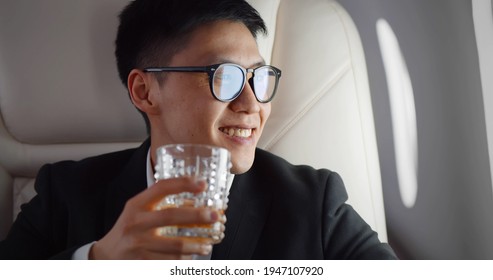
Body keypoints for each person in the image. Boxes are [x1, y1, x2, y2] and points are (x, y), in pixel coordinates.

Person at [0, 0, 397, 260]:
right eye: (224, 77)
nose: (252, 104)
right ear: (145, 91)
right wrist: (98, 261)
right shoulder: (65, 194)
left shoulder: (314, 203)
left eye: (259, 78)